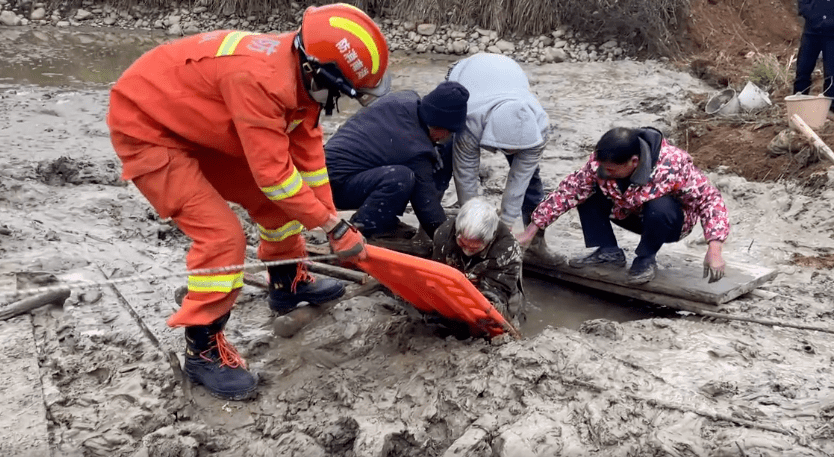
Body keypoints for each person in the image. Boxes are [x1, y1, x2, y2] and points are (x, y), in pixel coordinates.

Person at [106, 4, 390, 401]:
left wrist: (333, 221)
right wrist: (333, 229)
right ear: (316, 71)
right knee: (222, 239)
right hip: (148, 126)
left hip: (195, 122)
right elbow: (273, 176)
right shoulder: (257, 79)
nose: (341, 101)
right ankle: (202, 350)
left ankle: (286, 282)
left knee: (277, 208)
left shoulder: (301, 73)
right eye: (342, 92)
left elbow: (307, 155)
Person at [517, 127, 729, 285]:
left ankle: (646, 259)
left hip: (669, 222)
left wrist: (715, 248)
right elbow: (567, 191)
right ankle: (609, 251)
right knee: (584, 191)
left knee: (659, 205)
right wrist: (532, 229)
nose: (605, 172)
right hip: (627, 210)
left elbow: (710, 200)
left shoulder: (673, 165)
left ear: (634, 162)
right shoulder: (601, 164)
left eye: (611, 170)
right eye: (603, 168)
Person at [325, 81, 470, 240]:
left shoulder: (404, 99)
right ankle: (365, 227)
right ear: (441, 130)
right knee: (401, 178)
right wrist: (450, 243)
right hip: (336, 186)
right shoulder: (415, 149)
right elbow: (427, 208)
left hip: (322, 171)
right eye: (450, 132)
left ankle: (384, 221)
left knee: (398, 173)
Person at [445, 52, 555, 259]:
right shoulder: (470, 119)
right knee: (443, 157)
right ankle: (430, 230)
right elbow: (466, 176)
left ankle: (537, 242)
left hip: (509, 76)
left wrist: (504, 231)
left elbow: (518, 181)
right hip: (467, 75)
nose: (512, 154)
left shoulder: (539, 129)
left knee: (531, 180)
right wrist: (475, 226)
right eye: (507, 149)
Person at [432, 197, 524, 327]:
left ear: (490, 239)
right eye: (462, 244)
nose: (467, 251)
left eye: (474, 248)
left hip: (497, 290)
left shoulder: (507, 250)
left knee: (500, 314)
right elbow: (435, 271)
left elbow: (498, 292)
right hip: (456, 283)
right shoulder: (444, 233)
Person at [794, 0, 834, 102]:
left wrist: (829, 21)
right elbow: (803, 5)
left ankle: (829, 108)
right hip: (811, 33)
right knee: (803, 70)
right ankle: (798, 104)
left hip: (832, 36)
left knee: (831, 75)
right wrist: (816, 18)